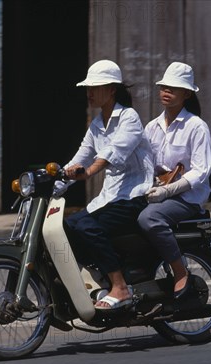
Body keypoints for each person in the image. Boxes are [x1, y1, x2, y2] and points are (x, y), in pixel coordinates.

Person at [63, 59, 154, 310]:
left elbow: (115, 150)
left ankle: (120, 287)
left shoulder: (129, 118)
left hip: (135, 196)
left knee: (87, 225)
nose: (89, 93)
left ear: (112, 89)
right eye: (88, 88)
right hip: (110, 198)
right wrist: (55, 180)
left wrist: (91, 170)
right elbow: (79, 159)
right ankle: (97, 279)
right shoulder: (96, 125)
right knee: (68, 225)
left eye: (96, 87)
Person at [137, 62, 211, 299]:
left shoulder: (196, 126)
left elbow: (201, 171)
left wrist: (167, 191)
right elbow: (146, 164)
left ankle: (180, 272)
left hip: (188, 198)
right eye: (164, 87)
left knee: (149, 218)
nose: (166, 92)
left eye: (174, 88)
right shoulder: (152, 127)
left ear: (187, 94)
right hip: (158, 193)